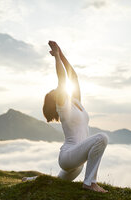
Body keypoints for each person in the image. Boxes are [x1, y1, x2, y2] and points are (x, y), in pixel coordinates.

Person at [23, 41, 109, 193]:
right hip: (68, 156)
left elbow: (73, 77)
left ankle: (32, 180)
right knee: (102, 138)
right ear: (56, 100)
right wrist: (56, 56)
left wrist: (61, 54)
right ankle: (90, 183)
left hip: (77, 162)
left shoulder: (76, 102)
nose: (58, 90)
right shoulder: (64, 108)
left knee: (56, 182)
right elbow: (62, 80)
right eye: (55, 91)